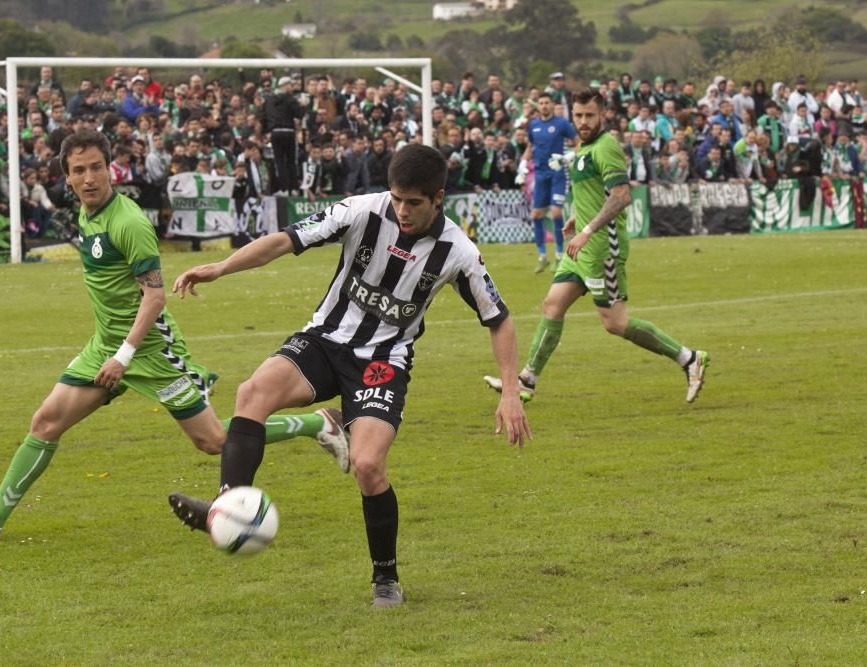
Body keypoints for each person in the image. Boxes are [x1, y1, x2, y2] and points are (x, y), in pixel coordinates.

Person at [0, 130, 349, 542]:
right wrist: (113, 351)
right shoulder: (87, 213)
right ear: (67, 177)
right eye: (79, 170)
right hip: (105, 346)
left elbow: (154, 297)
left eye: (97, 167)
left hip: (150, 350)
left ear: (110, 169)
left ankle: (317, 424)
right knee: (45, 422)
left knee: (214, 441)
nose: (89, 178)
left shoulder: (129, 222)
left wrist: (125, 356)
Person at [167, 144, 531, 608]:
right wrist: (221, 266)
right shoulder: (360, 211)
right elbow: (285, 239)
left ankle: (386, 578)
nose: (401, 210)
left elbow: (498, 318)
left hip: (382, 363)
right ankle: (227, 506)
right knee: (252, 392)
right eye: (397, 198)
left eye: (413, 202)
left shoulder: (458, 251)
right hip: (324, 340)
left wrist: (511, 392)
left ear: (438, 198)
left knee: (367, 465)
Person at [484, 88, 709, 404]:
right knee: (553, 305)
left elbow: (621, 195)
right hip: (583, 245)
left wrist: (588, 230)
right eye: (578, 115)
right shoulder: (583, 147)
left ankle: (689, 358)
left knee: (614, 323)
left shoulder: (606, 148)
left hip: (603, 248)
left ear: (602, 115)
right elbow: (595, 192)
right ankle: (527, 381)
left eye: (589, 115)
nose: (583, 121)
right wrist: (578, 217)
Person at [519, 92, 577, 273]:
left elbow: (579, 143)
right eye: (541, 103)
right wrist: (522, 164)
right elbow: (530, 147)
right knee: (536, 215)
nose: (544, 106)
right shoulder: (534, 125)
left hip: (558, 173)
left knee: (556, 211)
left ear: (552, 105)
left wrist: (567, 157)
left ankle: (560, 256)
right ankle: (542, 257)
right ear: (538, 106)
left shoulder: (561, 124)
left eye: (547, 103)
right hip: (540, 175)